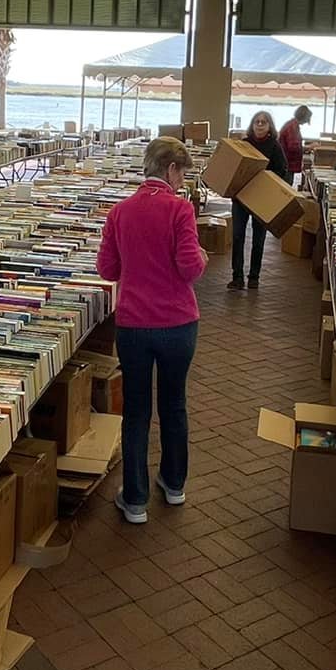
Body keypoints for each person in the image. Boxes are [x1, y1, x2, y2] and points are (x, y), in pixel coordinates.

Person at [95, 136, 206, 524]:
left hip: (134, 324)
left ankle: (136, 499)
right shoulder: (181, 211)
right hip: (178, 324)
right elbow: (190, 268)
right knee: (174, 405)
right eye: (182, 173)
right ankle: (174, 485)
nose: (181, 182)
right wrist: (202, 257)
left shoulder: (120, 212)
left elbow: (107, 270)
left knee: (137, 411)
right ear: (172, 169)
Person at [228, 109, 288, 291]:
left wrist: (265, 178)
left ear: (270, 126)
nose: (260, 125)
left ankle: (254, 276)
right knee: (237, 235)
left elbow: (282, 170)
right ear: (252, 125)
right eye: (257, 122)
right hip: (241, 196)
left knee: (258, 238)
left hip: (261, 199)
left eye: (264, 122)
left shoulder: (275, 146)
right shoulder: (244, 144)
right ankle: (237, 277)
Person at [281, 104, 311, 178]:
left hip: (286, 164)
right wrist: (309, 147)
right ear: (304, 117)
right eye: (308, 118)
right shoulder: (292, 127)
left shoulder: (292, 124)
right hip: (287, 165)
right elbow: (293, 147)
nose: (307, 121)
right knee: (285, 187)